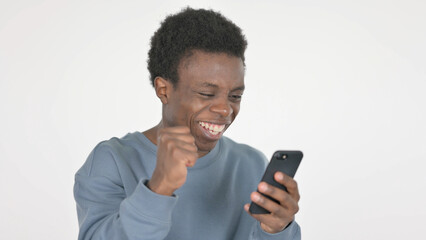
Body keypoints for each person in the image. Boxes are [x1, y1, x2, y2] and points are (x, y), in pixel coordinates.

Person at [74, 7, 301, 240]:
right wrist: (158, 188)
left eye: (234, 96)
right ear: (164, 90)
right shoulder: (112, 160)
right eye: (206, 93)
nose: (225, 109)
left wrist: (276, 230)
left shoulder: (251, 163)